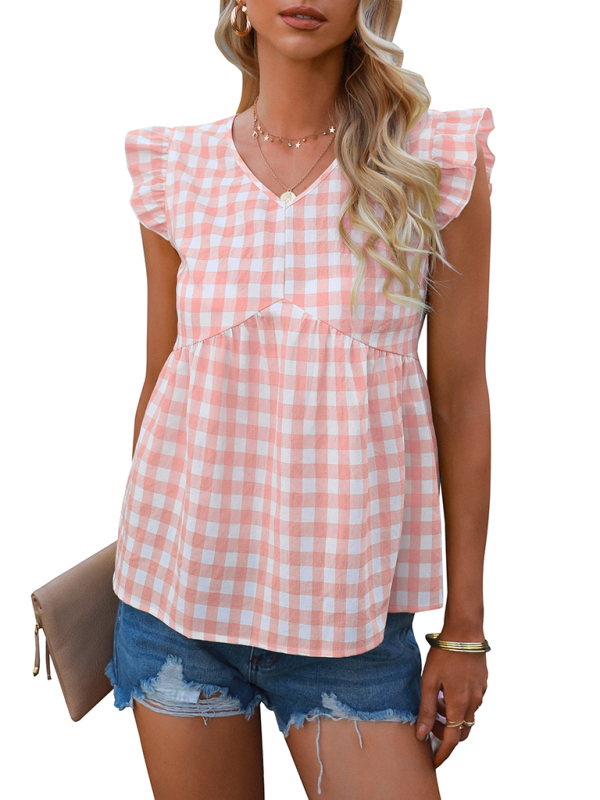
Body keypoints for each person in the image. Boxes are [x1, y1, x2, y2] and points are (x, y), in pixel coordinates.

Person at [104, 1, 495, 797]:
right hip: (176, 609)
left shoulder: (432, 166)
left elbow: (459, 403)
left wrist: (464, 629)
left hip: (350, 624)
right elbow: (162, 382)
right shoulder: (177, 169)